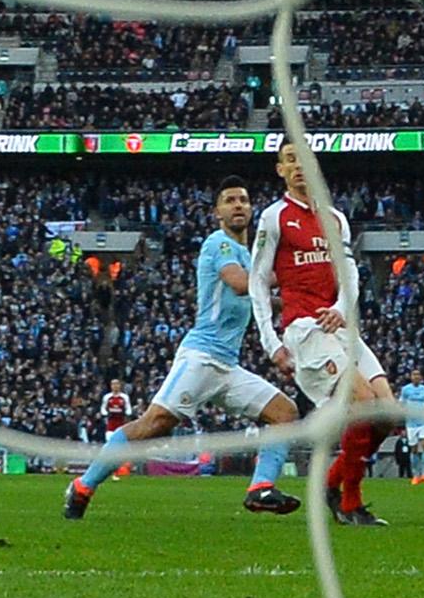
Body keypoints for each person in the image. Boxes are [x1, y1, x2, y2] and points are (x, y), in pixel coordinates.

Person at [65, 175, 302, 520]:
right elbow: (239, 285)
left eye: (244, 200)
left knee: (285, 413)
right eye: (230, 200)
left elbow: (262, 296)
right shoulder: (218, 243)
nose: (238, 205)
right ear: (217, 212)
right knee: (153, 424)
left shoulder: (249, 257)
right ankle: (83, 486)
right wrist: (294, 273)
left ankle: (260, 489)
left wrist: (303, 299)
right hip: (201, 357)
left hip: (227, 366)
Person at [251, 143, 395, 528]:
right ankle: (350, 503)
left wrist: (341, 307)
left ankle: (332, 485)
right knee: (362, 403)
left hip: (341, 327)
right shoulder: (274, 217)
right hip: (305, 330)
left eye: (306, 160)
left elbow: (350, 275)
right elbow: (258, 282)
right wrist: (272, 343)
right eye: (291, 160)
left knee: (387, 415)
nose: (299, 167)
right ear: (280, 169)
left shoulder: (335, 218)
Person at [400, 371, 424, 485]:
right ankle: (416, 475)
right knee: (414, 450)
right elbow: (402, 405)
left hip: (423, 422)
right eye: (414, 375)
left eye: (418, 375)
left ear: (421, 377)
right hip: (411, 423)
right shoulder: (405, 389)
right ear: (411, 377)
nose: (416, 377)